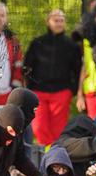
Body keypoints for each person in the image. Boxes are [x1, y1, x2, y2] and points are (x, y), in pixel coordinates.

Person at [24, 9, 82, 146]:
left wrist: (72, 90)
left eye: (62, 20)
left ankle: (55, 158)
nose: (59, 23)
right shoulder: (37, 43)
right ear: (48, 22)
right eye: (56, 20)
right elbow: (27, 66)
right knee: (38, 127)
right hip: (38, 92)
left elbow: (78, 69)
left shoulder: (71, 45)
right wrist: (30, 87)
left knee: (59, 130)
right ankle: (46, 156)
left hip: (61, 92)